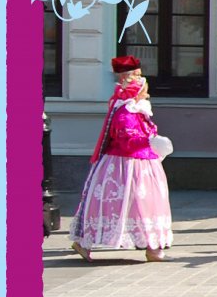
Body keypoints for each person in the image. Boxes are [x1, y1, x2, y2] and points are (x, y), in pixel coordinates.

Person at [71, 55, 173, 262]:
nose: (147, 93)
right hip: (125, 165)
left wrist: (154, 142)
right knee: (123, 202)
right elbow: (127, 139)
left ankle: (153, 247)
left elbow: (144, 133)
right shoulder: (126, 111)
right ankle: (84, 242)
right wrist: (151, 143)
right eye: (144, 89)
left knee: (145, 204)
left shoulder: (137, 110)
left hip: (142, 164)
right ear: (136, 91)